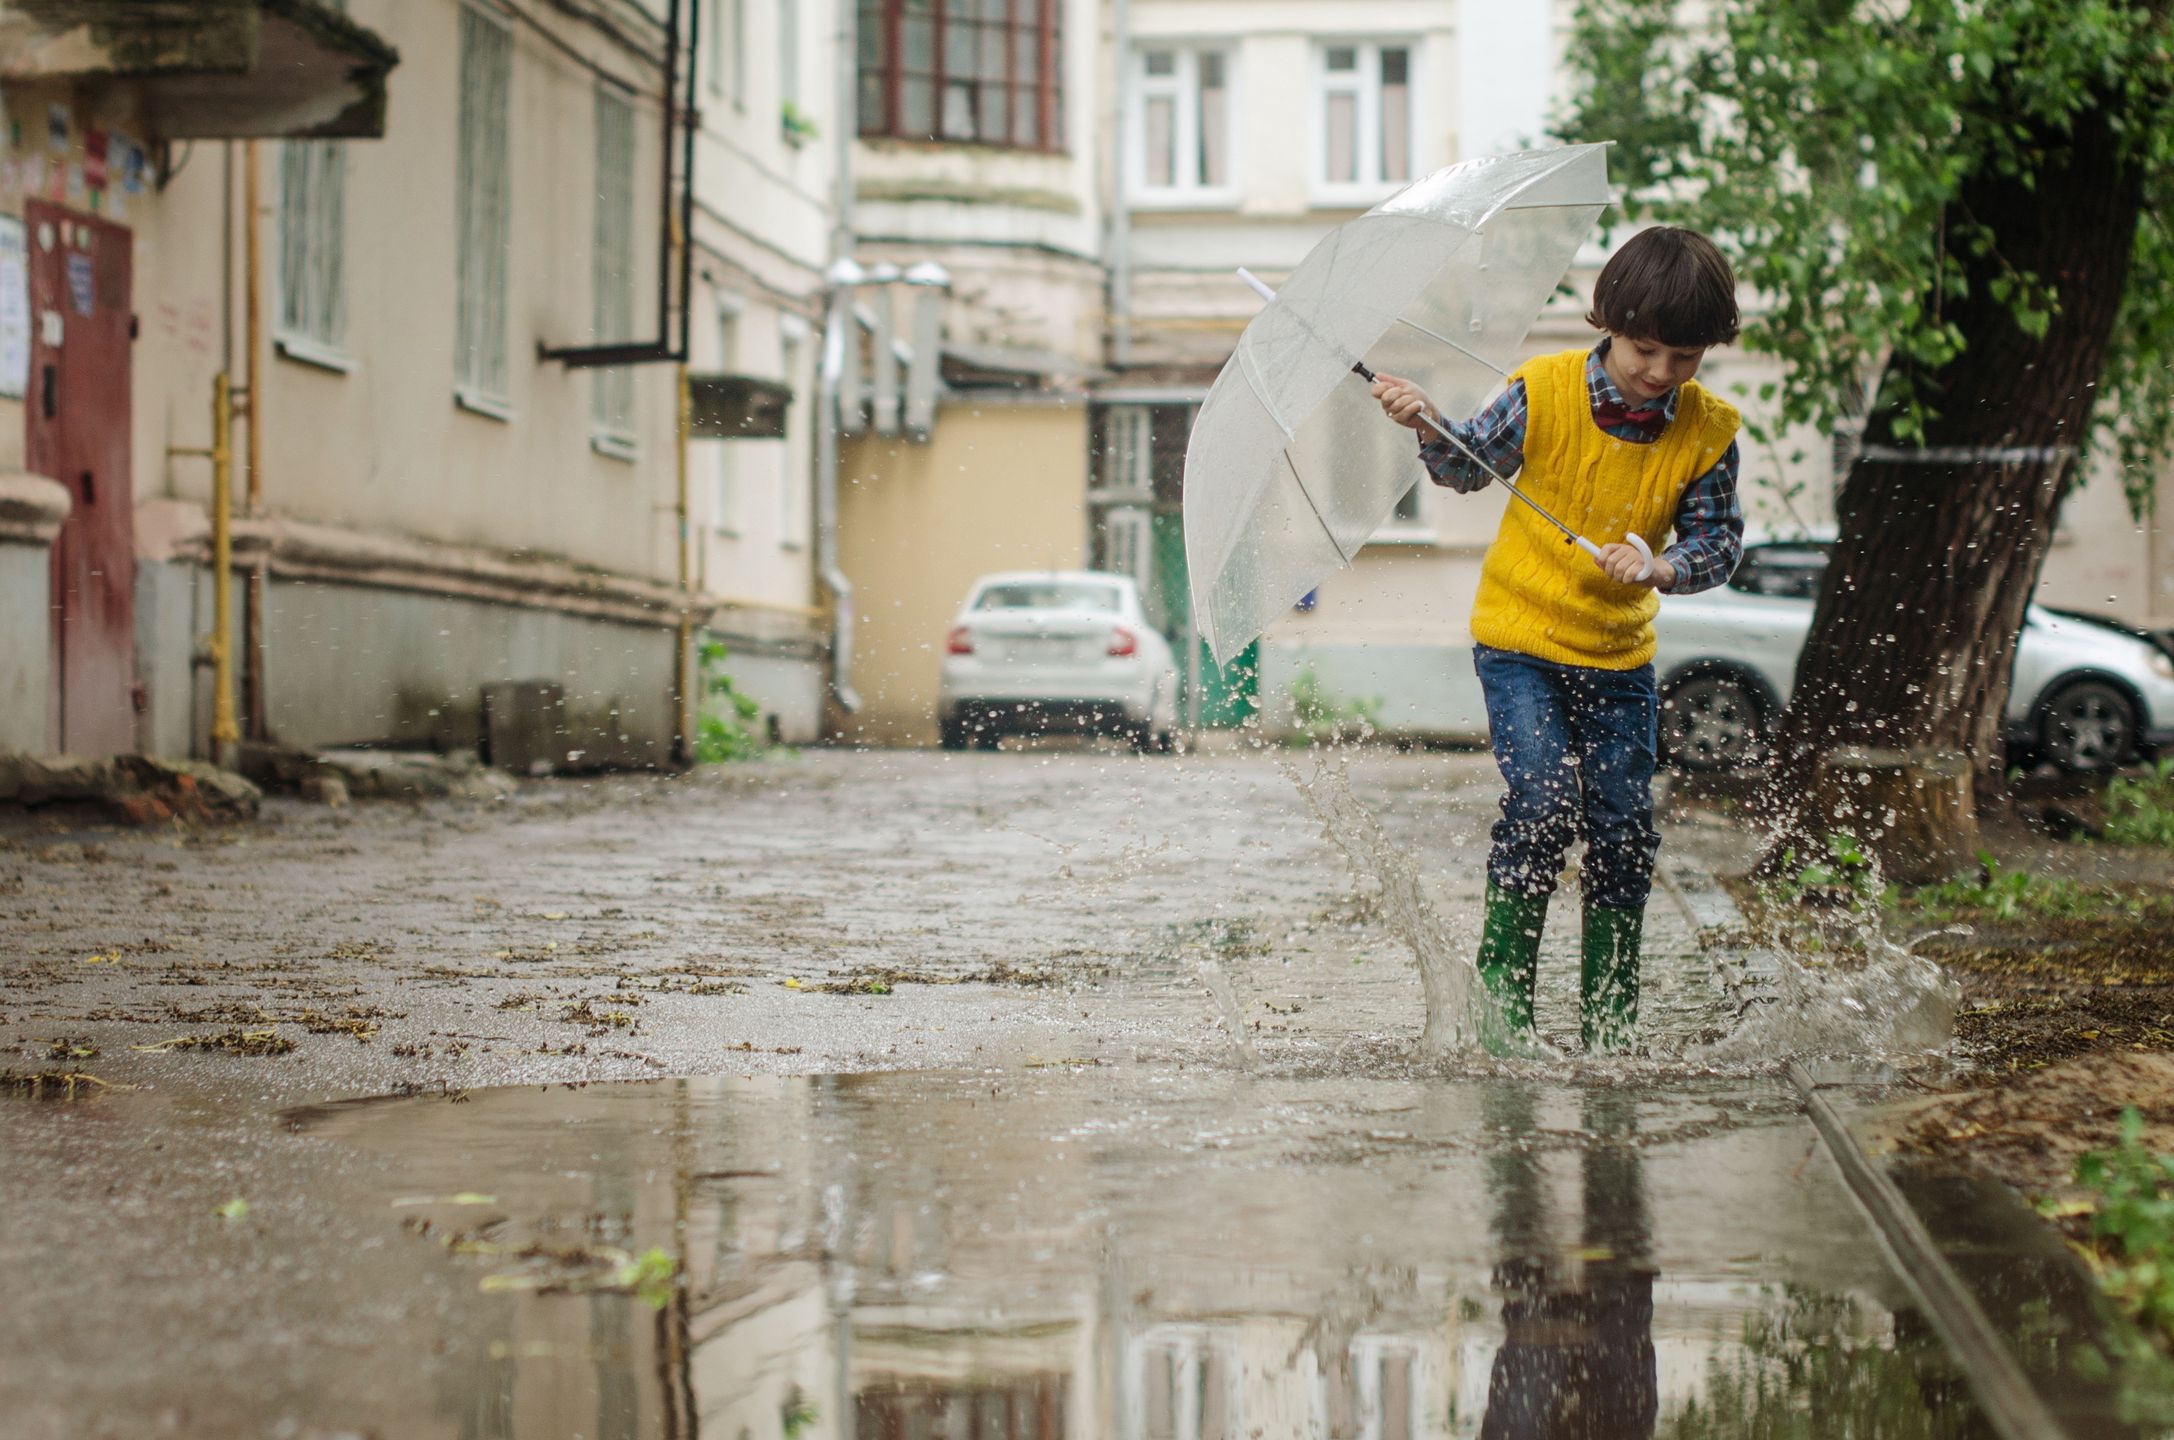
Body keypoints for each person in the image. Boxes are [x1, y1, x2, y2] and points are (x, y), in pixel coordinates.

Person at [1370, 225, 1745, 1055]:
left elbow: (1718, 544)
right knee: (1541, 809)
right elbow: (1466, 468)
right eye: (1646, 349)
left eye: (1684, 358)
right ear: (1606, 321)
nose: (1660, 373)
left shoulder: (1709, 431)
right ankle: (1504, 1024)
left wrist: (1665, 566)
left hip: (1619, 657)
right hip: (1521, 644)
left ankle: (1610, 1029)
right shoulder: (1541, 391)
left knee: (1621, 829)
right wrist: (1427, 421)